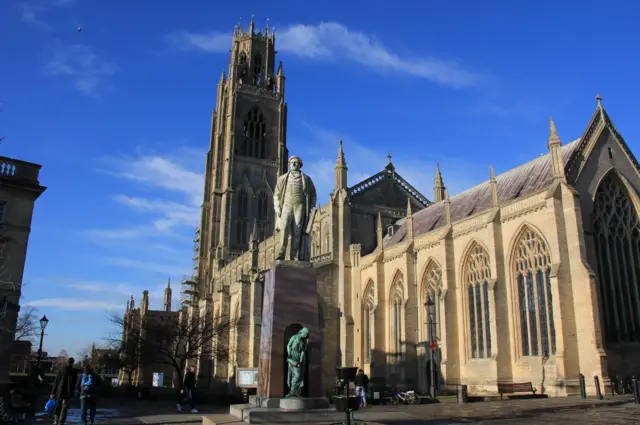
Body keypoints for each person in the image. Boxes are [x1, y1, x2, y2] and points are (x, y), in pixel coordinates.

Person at [50, 357, 78, 425]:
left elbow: (56, 381)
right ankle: (61, 421)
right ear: (73, 362)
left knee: (58, 405)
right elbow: (75, 382)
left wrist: (53, 392)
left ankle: (56, 419)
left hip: (60, 390)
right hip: (68, 391)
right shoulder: (74, 371)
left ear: (67, 362)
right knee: (64, 407)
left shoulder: (62, 370)